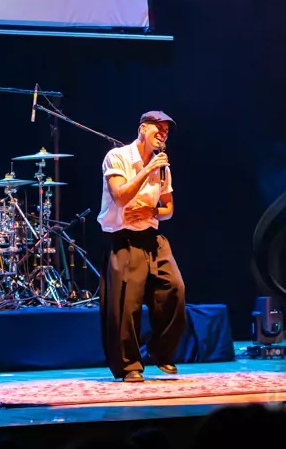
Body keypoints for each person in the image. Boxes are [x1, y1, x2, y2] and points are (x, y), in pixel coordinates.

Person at [98, 111, 185, 382]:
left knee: (175, 289)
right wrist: (147, 169)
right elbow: (120, 196)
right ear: (143, 129)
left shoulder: (163, 167)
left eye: (166, 131)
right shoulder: (118, 157)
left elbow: (168, 208)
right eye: (158, 128)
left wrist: (152, 211)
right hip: (124, 237)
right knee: (126, 304)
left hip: (152, 237)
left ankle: (160, 351)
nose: (163, 134)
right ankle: (129, 366)